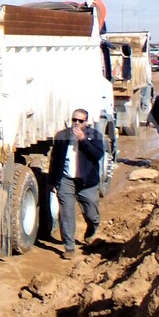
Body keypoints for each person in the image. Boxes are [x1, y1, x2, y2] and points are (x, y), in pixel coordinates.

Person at [47, 108, 104, 259]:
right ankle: (69, 247)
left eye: (80, 121)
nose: (76, 123)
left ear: (87, 122)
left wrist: (83, 140)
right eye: (74, 120)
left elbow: (98, 155)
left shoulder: (95, 135)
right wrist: (52, 181)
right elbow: (55, 159)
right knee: (66, 213)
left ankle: (91, 232)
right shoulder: (62, 136)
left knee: (92, 215)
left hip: (87, 182)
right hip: (66, 180)